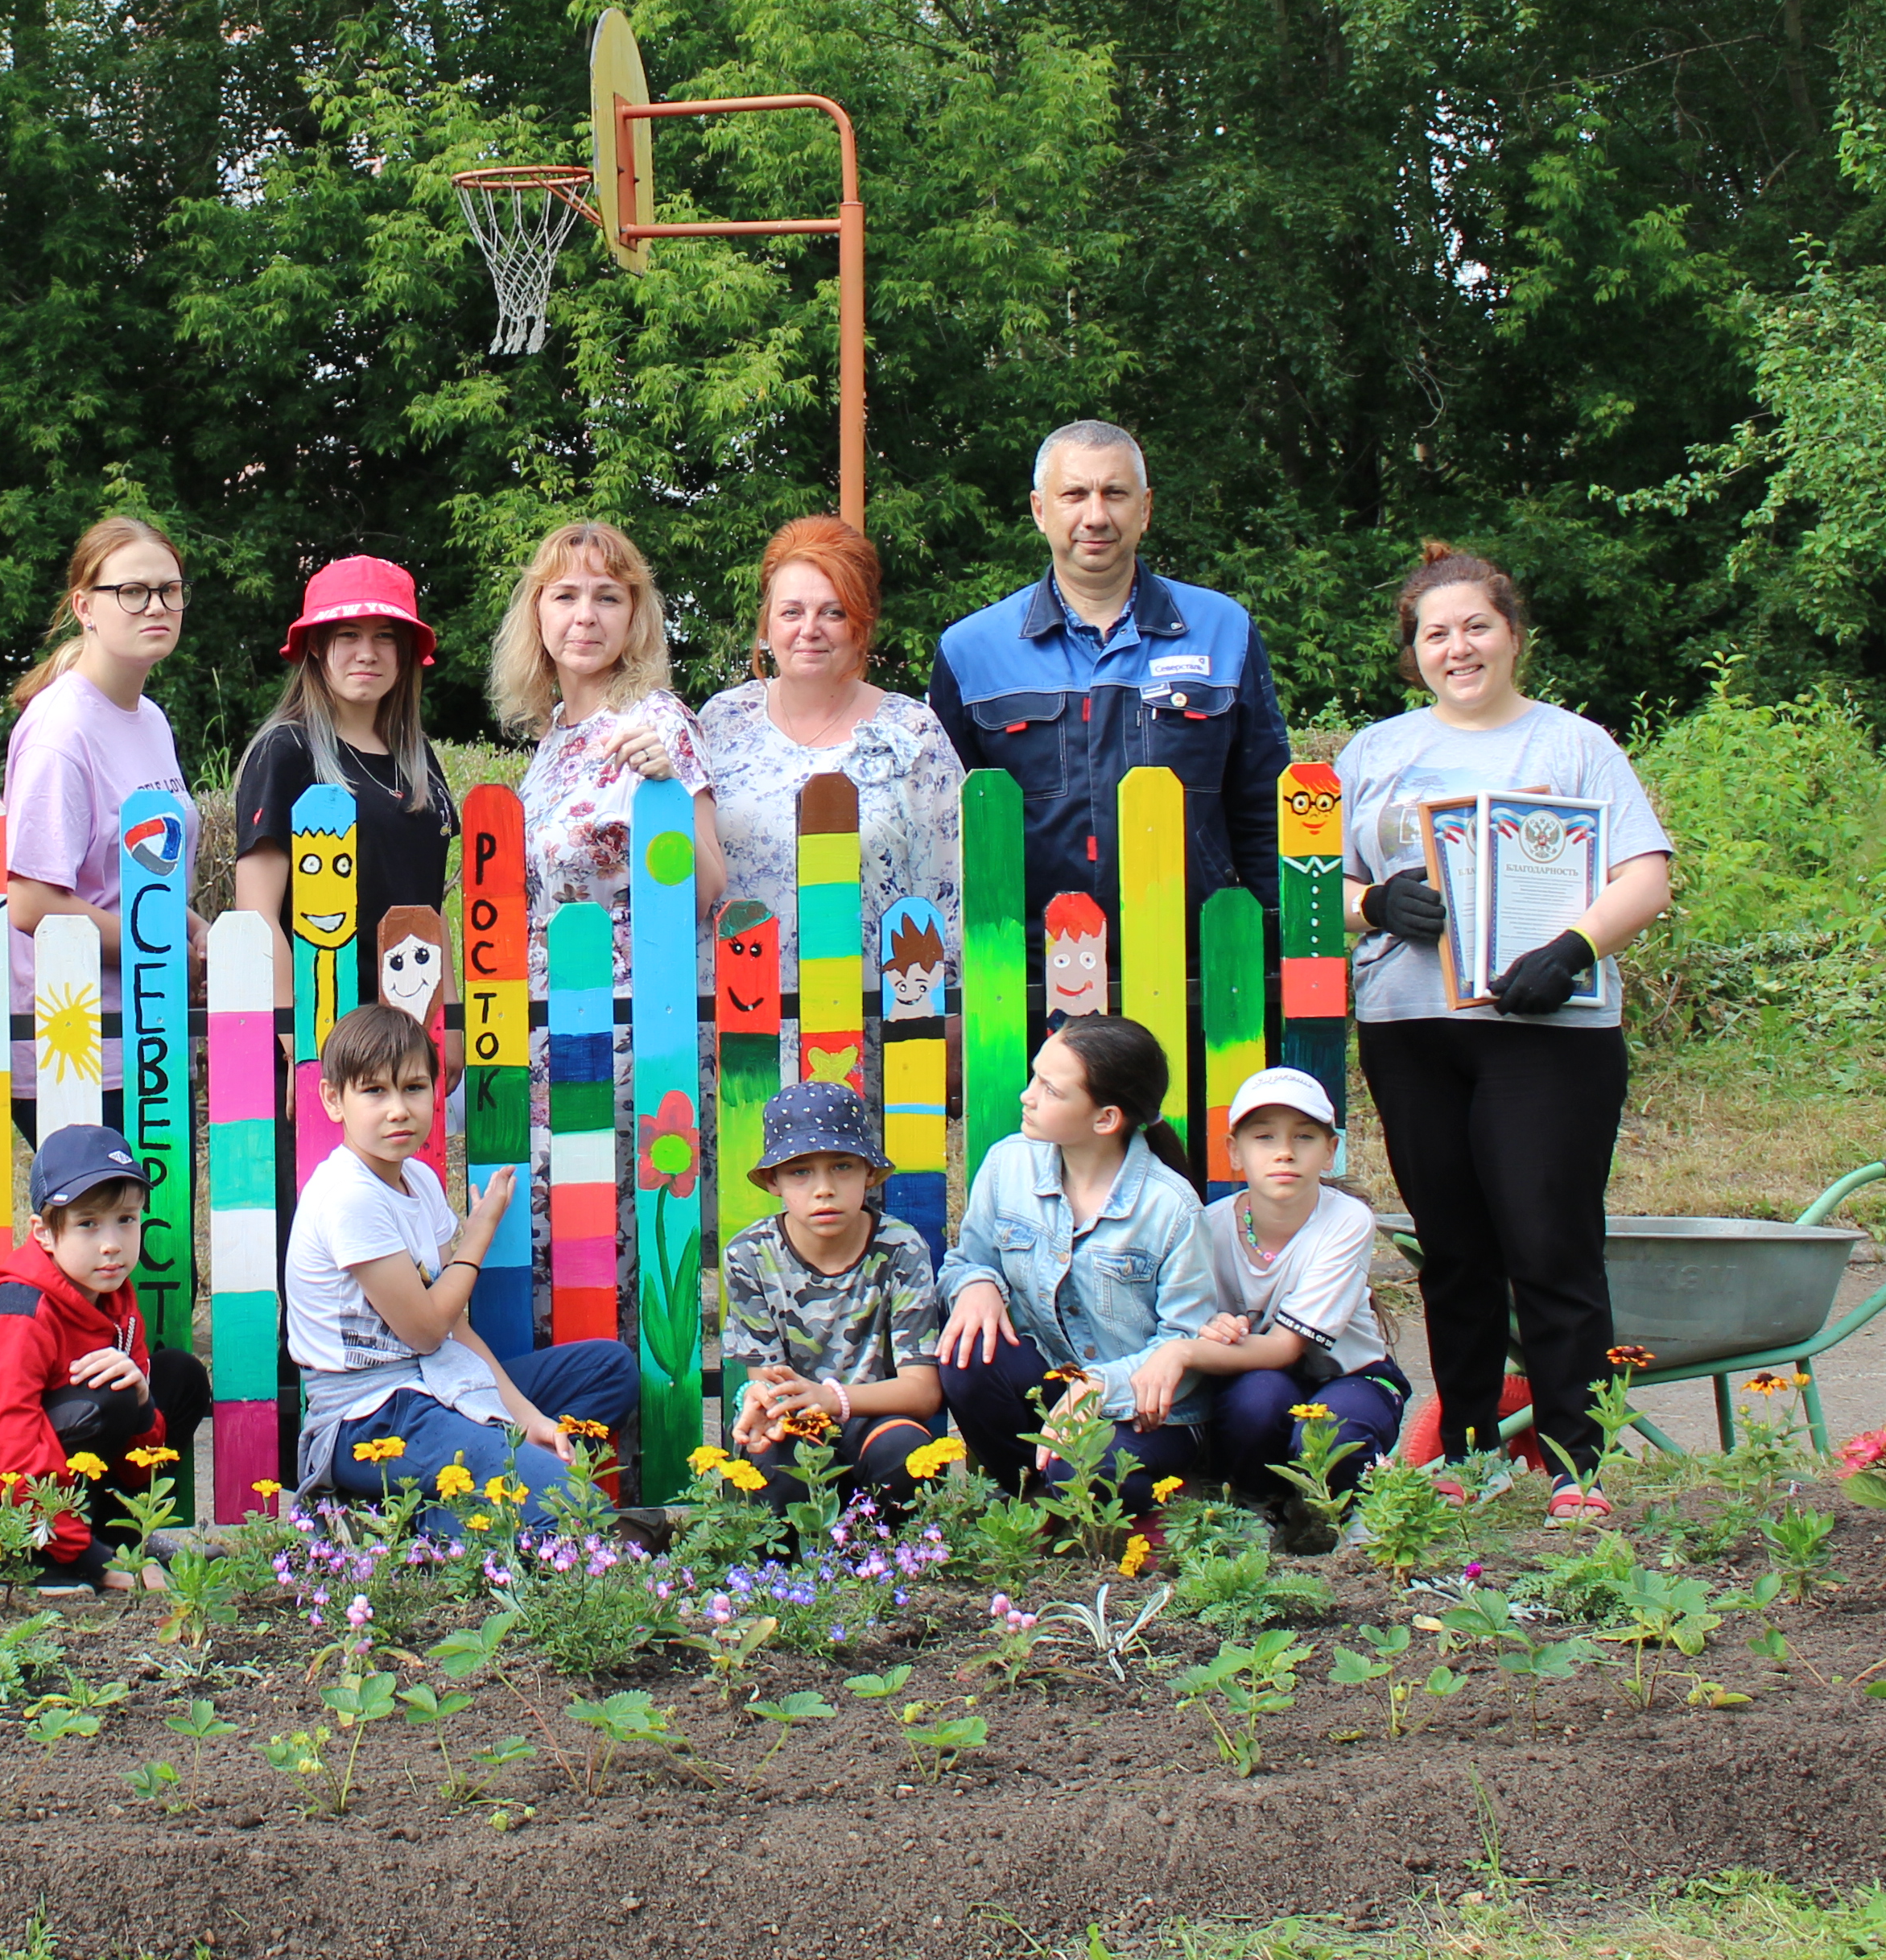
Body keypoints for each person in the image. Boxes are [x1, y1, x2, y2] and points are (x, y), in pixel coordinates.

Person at [1338, 544, 1673, 1518]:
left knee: (1550, 1243)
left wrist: (1573, 948)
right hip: (1411, 1026)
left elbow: (1643, 874)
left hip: (1550, 1029)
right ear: (1414, 652)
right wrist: (1376, 904)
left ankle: (1579, 1468)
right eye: (1435, 634)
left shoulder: (1575, 746)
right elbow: (1316, 884)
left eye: (1477, 627)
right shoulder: (1374, 753)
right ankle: (1468, 1459)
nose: (1459, 648)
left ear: (1514, 635)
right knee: (1453, 1251)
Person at [928, 417, 1291, 943]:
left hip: (1200, 963)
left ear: (1144, 509)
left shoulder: (1223, 630)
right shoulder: (970, 650)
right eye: (1074, 494)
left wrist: (1274, 960)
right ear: (1039, 510)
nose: (1095, 516)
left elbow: (1263, 812)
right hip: (1026, 975)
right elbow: (946, 836)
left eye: (1114, 493)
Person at [286, 1003, 638, 1523]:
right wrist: (477, 1235)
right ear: (334, 1100)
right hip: (369, 1418)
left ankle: (458, 1498)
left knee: (610, 1371)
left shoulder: (420, 1181)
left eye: (413, 1087)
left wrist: (528, 1418)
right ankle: (425, 1523)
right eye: (374, 1091)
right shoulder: (348, 1198)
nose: (398, 1109)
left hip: (438, 1380)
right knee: (569, 1505)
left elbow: (453, 1330)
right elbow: (427, 1330)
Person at [934, 1013, 1222, 1498]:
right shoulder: (1009, 1165)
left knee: (1088, 1470)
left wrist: (1101, 1387)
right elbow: (966, 1260)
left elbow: (1187, 1346)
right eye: (1034, 1076)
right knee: (966, 1356)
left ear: (1105, 1118)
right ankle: (1031, 1496)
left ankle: (1078, 1501)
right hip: (1052, 1381)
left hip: (1147, 1412)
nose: (1028, 1095)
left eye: (1051, 1089)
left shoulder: (1171, 1208)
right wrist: (976, 1284)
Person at [0, 1124, 208, 1588]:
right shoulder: (21, 1315)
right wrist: (93, 1563)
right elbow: (17, 1446)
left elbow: (137, 1465)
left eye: (126, 1220)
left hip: (43, 1464)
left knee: (177, 1378)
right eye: (88, 1224)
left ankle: (119, 1536)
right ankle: (40, 1553)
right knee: (107, 1396)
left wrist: (146, 1403)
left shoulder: (116, 1300)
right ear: (43, 1234)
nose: (111, 1243)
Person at [696, 516, 966, 972]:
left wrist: (949, 1017)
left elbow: (949, 885)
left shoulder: (911, 733)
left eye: (833, 612)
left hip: (875, 1012)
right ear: (767, 624)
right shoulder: (721, 723)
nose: (809, 629)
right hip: (735, 1011)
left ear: (861, 623)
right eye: (791, 612)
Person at [1174, 1069, 1406, 1549]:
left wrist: (1185, 1352)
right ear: (1235, 1152)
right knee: (1255, 1400)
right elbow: (1193, 1316)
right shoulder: (1208, 1226)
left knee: (1329, 1425)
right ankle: (1260, 1505)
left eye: (1304, 1136)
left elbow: (1285, 1347)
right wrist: (1214, 1328)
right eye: (1264, 1137)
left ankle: (1360, 1508)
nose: (1284, 1152)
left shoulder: (1346, 1220)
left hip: (1351, 1377)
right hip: (1261, 1380)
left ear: (1330, 1150)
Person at [490, 518, 725, 991]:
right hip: (543, 1009)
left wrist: (670, 791)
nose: (585, 616)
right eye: (565, 596)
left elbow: (709, 891)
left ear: (633, 616)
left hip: (630, 1017)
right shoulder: (553, 735)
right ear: (538, 614)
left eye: (607, 597)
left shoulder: (658, 720)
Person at [0, 517, 191, 1073]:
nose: (156, 606)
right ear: (84, 608)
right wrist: (166, 950)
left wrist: (199, 934)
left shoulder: (148, 718)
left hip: (150, 1027)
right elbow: (33, 901)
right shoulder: (61, 731)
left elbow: (133, 879)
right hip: (79, 1046)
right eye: (131, 592)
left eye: (169, 590)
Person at [233, 555, 460, 1008]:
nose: (367, 653)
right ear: (316, 646)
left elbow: (429, 913)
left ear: (406, 653)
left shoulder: (417, 759)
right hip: (326, 1032)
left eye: (385, 638)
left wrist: (448, 1020)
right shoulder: (286, 752)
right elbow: (256, 917)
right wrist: (295, 1041)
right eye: (349, 635)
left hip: (413, 1027)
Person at [717, 1082, 946, 1514]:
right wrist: (760, 1403)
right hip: (796, 1420)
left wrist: (833, 1398)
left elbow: (922, 1391)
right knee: (773, 1461)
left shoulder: (901, 1248)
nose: (824, 1189)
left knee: (907, 1455)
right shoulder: (750, 1255)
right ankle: (784, 1571)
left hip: (876, 1415)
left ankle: (887, 1556)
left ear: (870, 1174)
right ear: (773, 1182)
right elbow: (768, 1379)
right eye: (800, 1172)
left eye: (842, 1167)